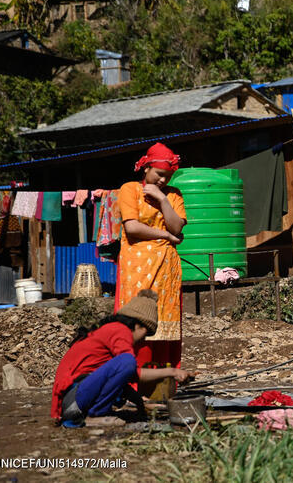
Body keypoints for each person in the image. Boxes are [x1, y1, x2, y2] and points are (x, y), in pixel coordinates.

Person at [51, 289, 195, 426]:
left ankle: (96, 411)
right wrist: (173, 372)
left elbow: (121, 378)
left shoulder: (111, 329)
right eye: (145, 335)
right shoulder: (121, 331)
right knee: (127, 361)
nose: (142, 340)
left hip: (72, 401)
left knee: (126, 365)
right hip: (74, 401)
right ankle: (97, 415)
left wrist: (139, 403)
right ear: (139, 326)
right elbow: (133, 372)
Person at [114, 142, 187, 369]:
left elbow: (177, 228)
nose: (163, 180)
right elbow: (132, 228)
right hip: (136, 269)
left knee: (164, 323)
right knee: (138, 321)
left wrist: (162, 198)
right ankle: (133, 382)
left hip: (166, 270)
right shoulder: (130, 190)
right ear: (146, 168)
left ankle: (162, 384)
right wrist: (164, 234)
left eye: (168, 176)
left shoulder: (173, 196)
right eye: (159, 174)